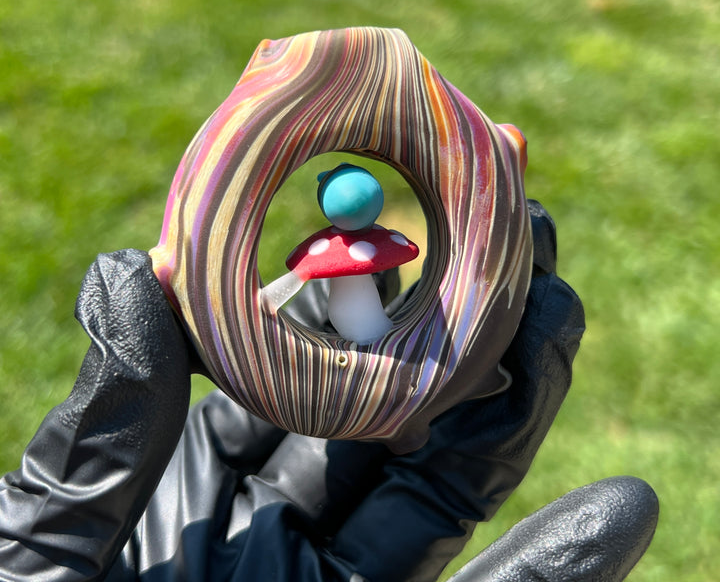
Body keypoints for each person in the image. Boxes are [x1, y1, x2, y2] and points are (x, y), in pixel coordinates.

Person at [0, 201, 657, 581]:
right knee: (441, 459)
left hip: (382, 383)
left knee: (445, 387)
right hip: (357, 390)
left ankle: (405, 389)